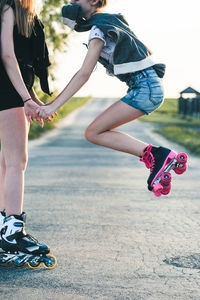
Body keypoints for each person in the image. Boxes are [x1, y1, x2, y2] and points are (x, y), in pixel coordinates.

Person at [37, 0, 186, 196]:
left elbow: (84, 73)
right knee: (93, 132)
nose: (71, 2)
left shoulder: (100, 28)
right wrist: (52, 104)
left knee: (93, 132)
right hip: (147, 86)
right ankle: (160, 158)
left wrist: (53, 106)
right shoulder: (110, 21)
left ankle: (159, 156)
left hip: (145, 88)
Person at [0, 0, 52, 257]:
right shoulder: (9, 7)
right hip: (8, 94)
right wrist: (25, 99)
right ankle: (13, 231)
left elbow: (22, 63)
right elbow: (7, 56)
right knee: (17, 161)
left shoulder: (23, 11)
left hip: (14, 93)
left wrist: (32, 96)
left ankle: (3, 225)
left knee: (7, 163)